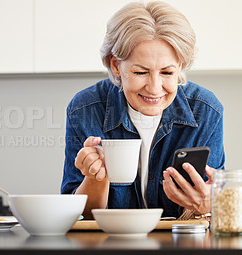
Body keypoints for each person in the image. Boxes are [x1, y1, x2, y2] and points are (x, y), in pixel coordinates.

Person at [61, 1, 225, 219]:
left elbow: (211, 215)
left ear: (181, 66)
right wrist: (94, 178)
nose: (155, 88)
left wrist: (205, 206)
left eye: (167, 72)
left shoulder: (206, 111)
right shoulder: (85, 109)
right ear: (116, 66)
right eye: (140, 72)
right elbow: (78, 217)